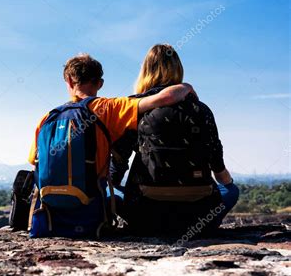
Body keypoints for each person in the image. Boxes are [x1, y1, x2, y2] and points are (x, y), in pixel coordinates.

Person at [27, 53, 196, 238]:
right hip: (91, 211)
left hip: (51, 217)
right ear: (100, 83)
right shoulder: (108, 108)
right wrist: (185, 87)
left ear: (68, 80)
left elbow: (34, 163)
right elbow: (163, 99)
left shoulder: (47, 118)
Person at [111, 44, 239, 238]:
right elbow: (219, 172)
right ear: (178, 69)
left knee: (105, 189)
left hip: (145, 215)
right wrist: (228, 183)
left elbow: (116, 170)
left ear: (145, 71)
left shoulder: (135, 108)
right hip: (198, 214)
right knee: (232, 191)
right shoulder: (201, 110)